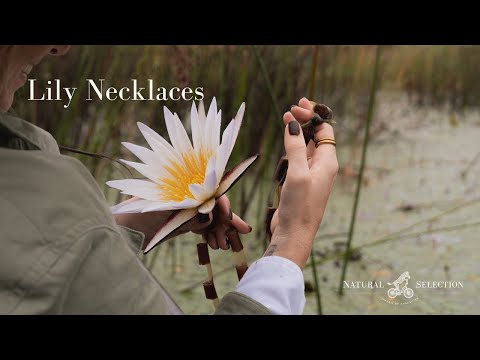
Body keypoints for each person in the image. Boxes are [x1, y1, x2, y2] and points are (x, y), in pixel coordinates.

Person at [0, 45, 338, 315]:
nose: (63, 47)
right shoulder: (52, 194)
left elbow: (41, 259)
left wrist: (128, 222)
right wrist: (292, 242)